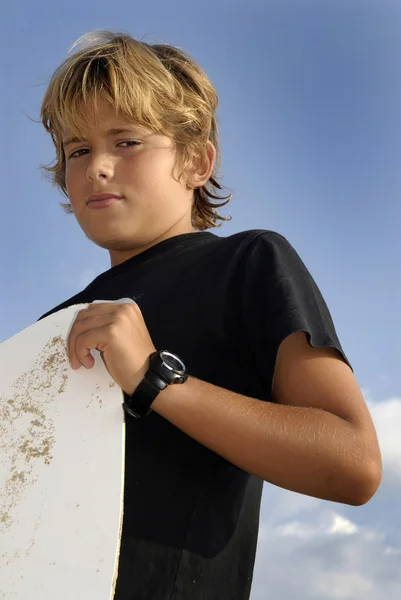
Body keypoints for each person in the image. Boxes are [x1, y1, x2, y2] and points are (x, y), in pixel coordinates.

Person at [38, 30, 382, 600]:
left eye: (125, 141)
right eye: (77, 150)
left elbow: (354, 463)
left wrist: (156, 379)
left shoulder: (246, 262)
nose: (97, 165)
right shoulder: (54, 327)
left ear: (197, 160)